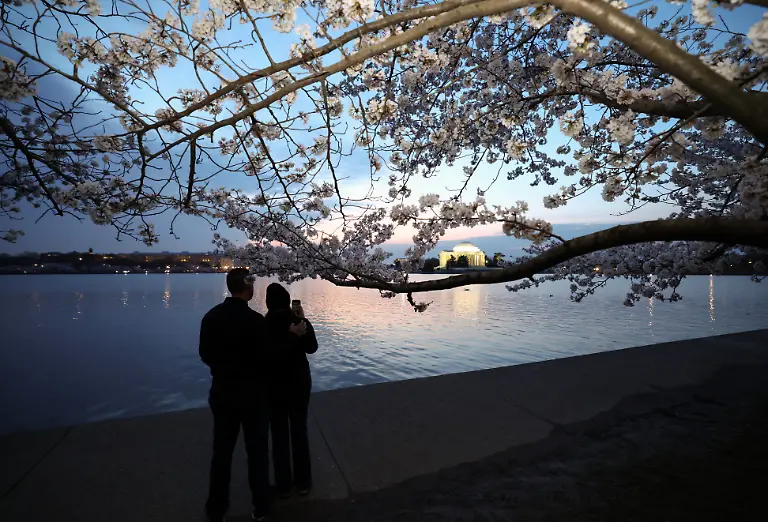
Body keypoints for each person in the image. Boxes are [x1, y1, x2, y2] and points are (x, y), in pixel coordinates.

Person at [199, 269, 306, 522]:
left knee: (222, 453)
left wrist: (222, 368)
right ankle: (260, 506)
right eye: (253, 283)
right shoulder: (255, 321)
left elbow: (204, 354)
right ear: (247, 288)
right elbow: (268, 357)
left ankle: (216, 508)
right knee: (256, 452)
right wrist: (292, 336)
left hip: (223, 392)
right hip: (252, 395)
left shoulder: (210, 317)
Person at [265, 282, 318, 497]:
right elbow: (312, 348)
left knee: (278, 435)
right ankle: (303, 481)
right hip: (299, 384)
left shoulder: (264, 324)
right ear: (288, 301)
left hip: (274, 386)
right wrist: (303, 320)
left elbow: (267, 356)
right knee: (299, 430)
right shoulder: (298, 321)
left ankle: (283, 483)